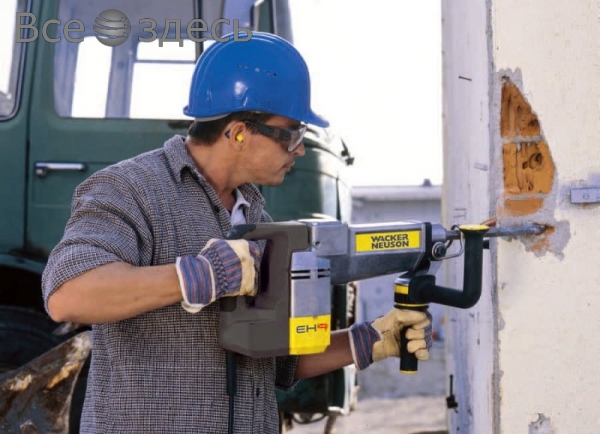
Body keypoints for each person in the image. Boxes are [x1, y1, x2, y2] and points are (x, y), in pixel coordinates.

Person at [42, 32, 432, 434]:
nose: (299, 149)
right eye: (291, 133)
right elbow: (68, 295)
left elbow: (273, 359)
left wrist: (368, 340)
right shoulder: (130, 189)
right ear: (239, 132)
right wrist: (198, 276)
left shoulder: (253, 213)